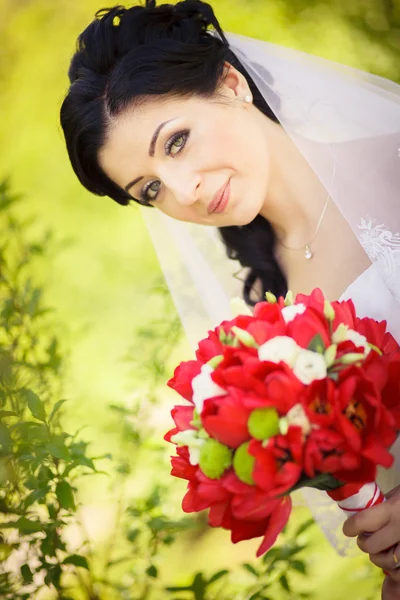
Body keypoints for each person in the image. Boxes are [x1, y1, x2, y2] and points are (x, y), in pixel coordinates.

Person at [60, 0, 400, 596]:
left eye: (177, 142)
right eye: (149, 189)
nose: (183, 190)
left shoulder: (392, 162)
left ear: (231, 82)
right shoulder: (273, 324)